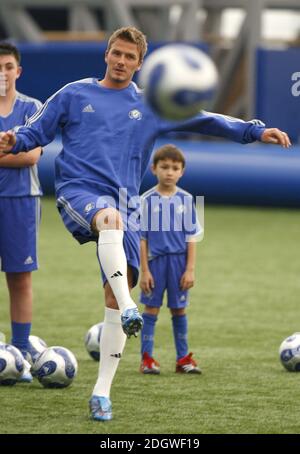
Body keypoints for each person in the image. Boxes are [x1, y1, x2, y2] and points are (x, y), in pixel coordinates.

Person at [0, 27, 291, 420]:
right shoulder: (73, 94)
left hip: (125, 205)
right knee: (110, 223)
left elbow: (205, 120)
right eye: (116, 54)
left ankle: (101, 392)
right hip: (79, 193)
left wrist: (254, 130)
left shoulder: (151, 105)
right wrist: (12, 140)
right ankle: (130, 305)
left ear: (139, 64)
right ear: (106, 54)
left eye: (129, 57)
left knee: (113, 290)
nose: (121, 62)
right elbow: (35, 132)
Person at [139, 144, 202, 375]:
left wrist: (190, 269)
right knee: (151, 309)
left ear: (182, 171)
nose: (169, 172)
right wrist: (144, 271)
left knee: (179, 310)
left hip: (178, 264)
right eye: (164, 167)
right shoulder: (145, 200)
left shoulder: (186, 200)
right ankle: (147, 358)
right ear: (153, 168)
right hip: (155, 263)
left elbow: (191, 237)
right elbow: (142, 239)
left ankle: (182, 359)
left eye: (175, 168)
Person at [0, 42, 42, 382]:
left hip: (20, 201)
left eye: (8, 66)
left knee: (19, 278)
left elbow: (31, 156)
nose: (3, 73)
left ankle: (20, 347)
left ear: (18, 71)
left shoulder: (32, 108)